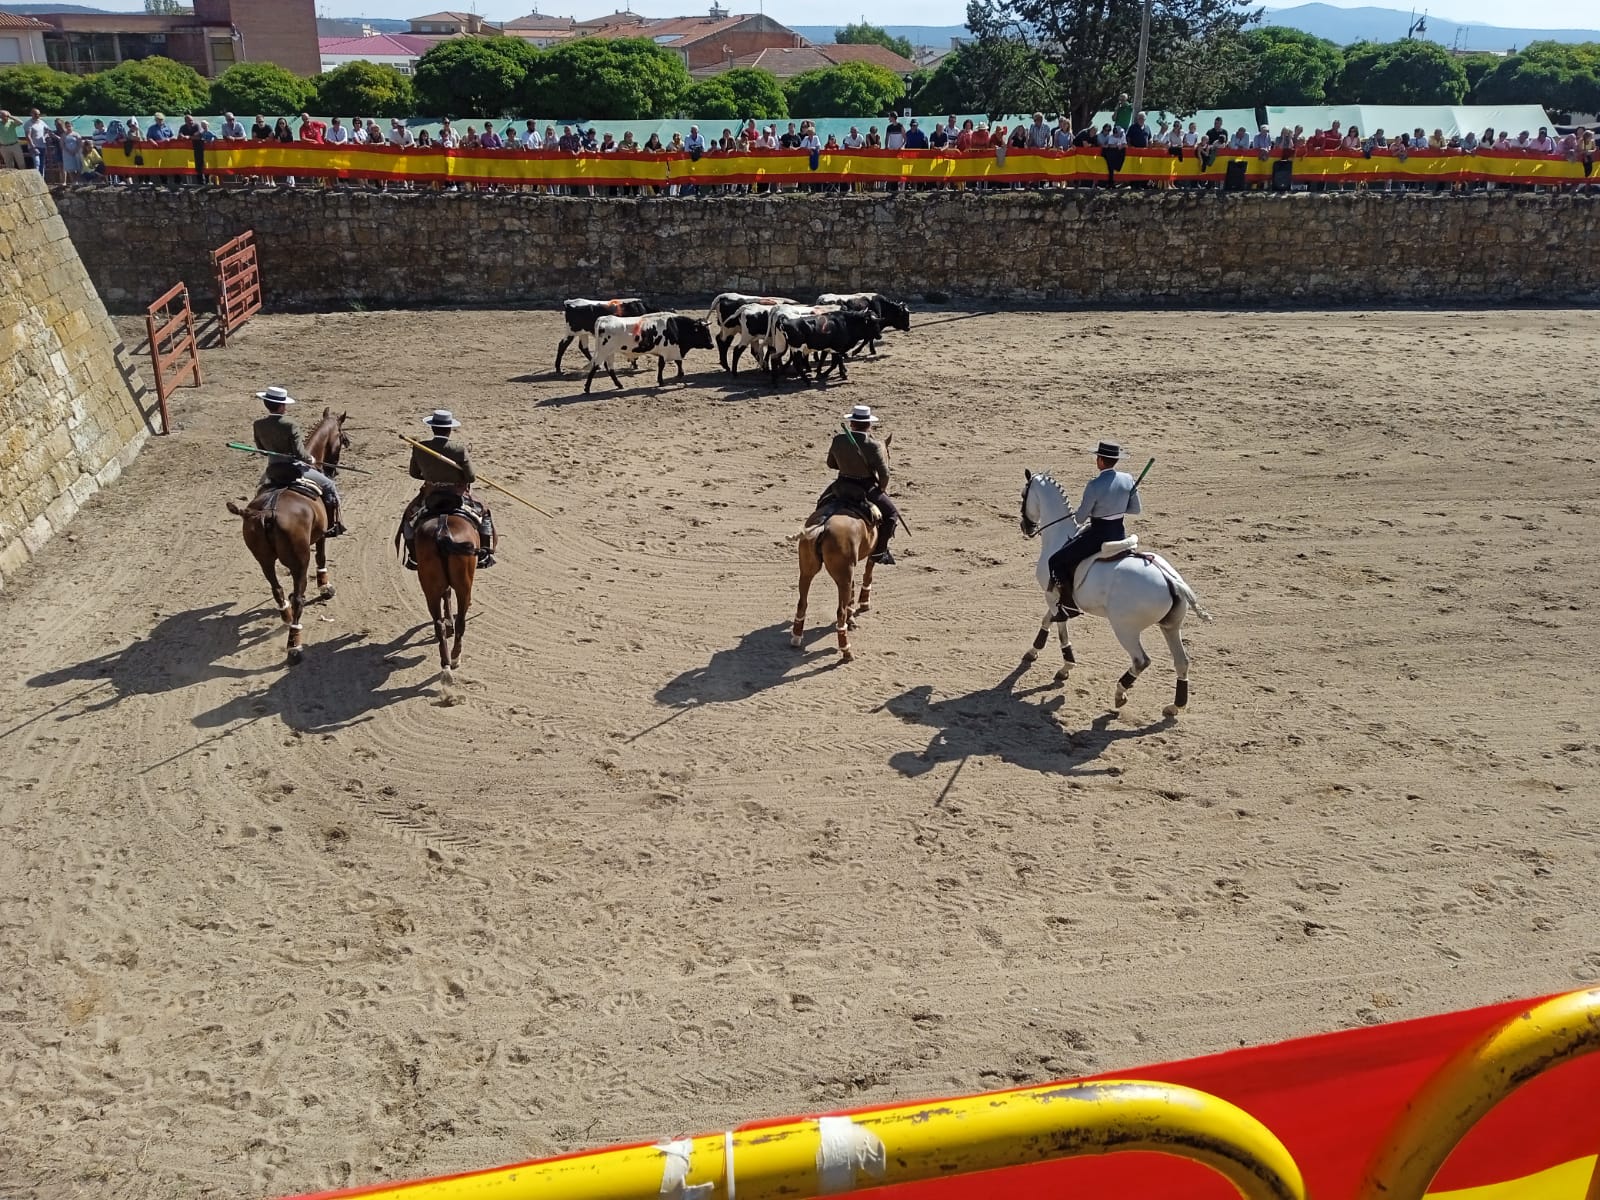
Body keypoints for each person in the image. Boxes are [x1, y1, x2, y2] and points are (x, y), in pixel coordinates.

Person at [1047, 441, 1141, 617]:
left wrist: (1096, 510)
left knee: (1055, 561)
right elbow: (1136, 509)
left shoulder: (1094, 485)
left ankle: (1069, 606)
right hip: (1119, 533)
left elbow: (1080, 518)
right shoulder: (1128, 479)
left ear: (1100, 460)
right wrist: (1117, 507)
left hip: (1099, 536)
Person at [400, 410, 496, 570]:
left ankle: (414, 557)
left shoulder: (420, 447)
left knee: (408, 518)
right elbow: (471, 477)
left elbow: (414, 473)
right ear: (449, 429)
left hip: (431, 494)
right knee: (484, 513)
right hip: (456, 494)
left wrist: (431, 477)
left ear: (432, 428)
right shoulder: (459, 449)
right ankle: (484, 554)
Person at [250, 386, 347, 536]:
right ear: (282, 406)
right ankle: (334, 525)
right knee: (329, 485)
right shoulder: (290, 425)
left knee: (259, 490)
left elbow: (262, 450)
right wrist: (311, 458)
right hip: (294, 469)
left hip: (272, 469)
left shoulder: (258, 424)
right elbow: (300, 453)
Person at [818, 404, 900, 565]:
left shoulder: (839, 440)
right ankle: (879, 552)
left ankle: (819, 537)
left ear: (851, 423)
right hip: (865, 487)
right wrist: (881, 489)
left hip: (841, 483)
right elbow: (884, 474)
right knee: (891, 514)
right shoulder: (874, 445)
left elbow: (831, 464)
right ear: (868, 424)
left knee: (821, 504)